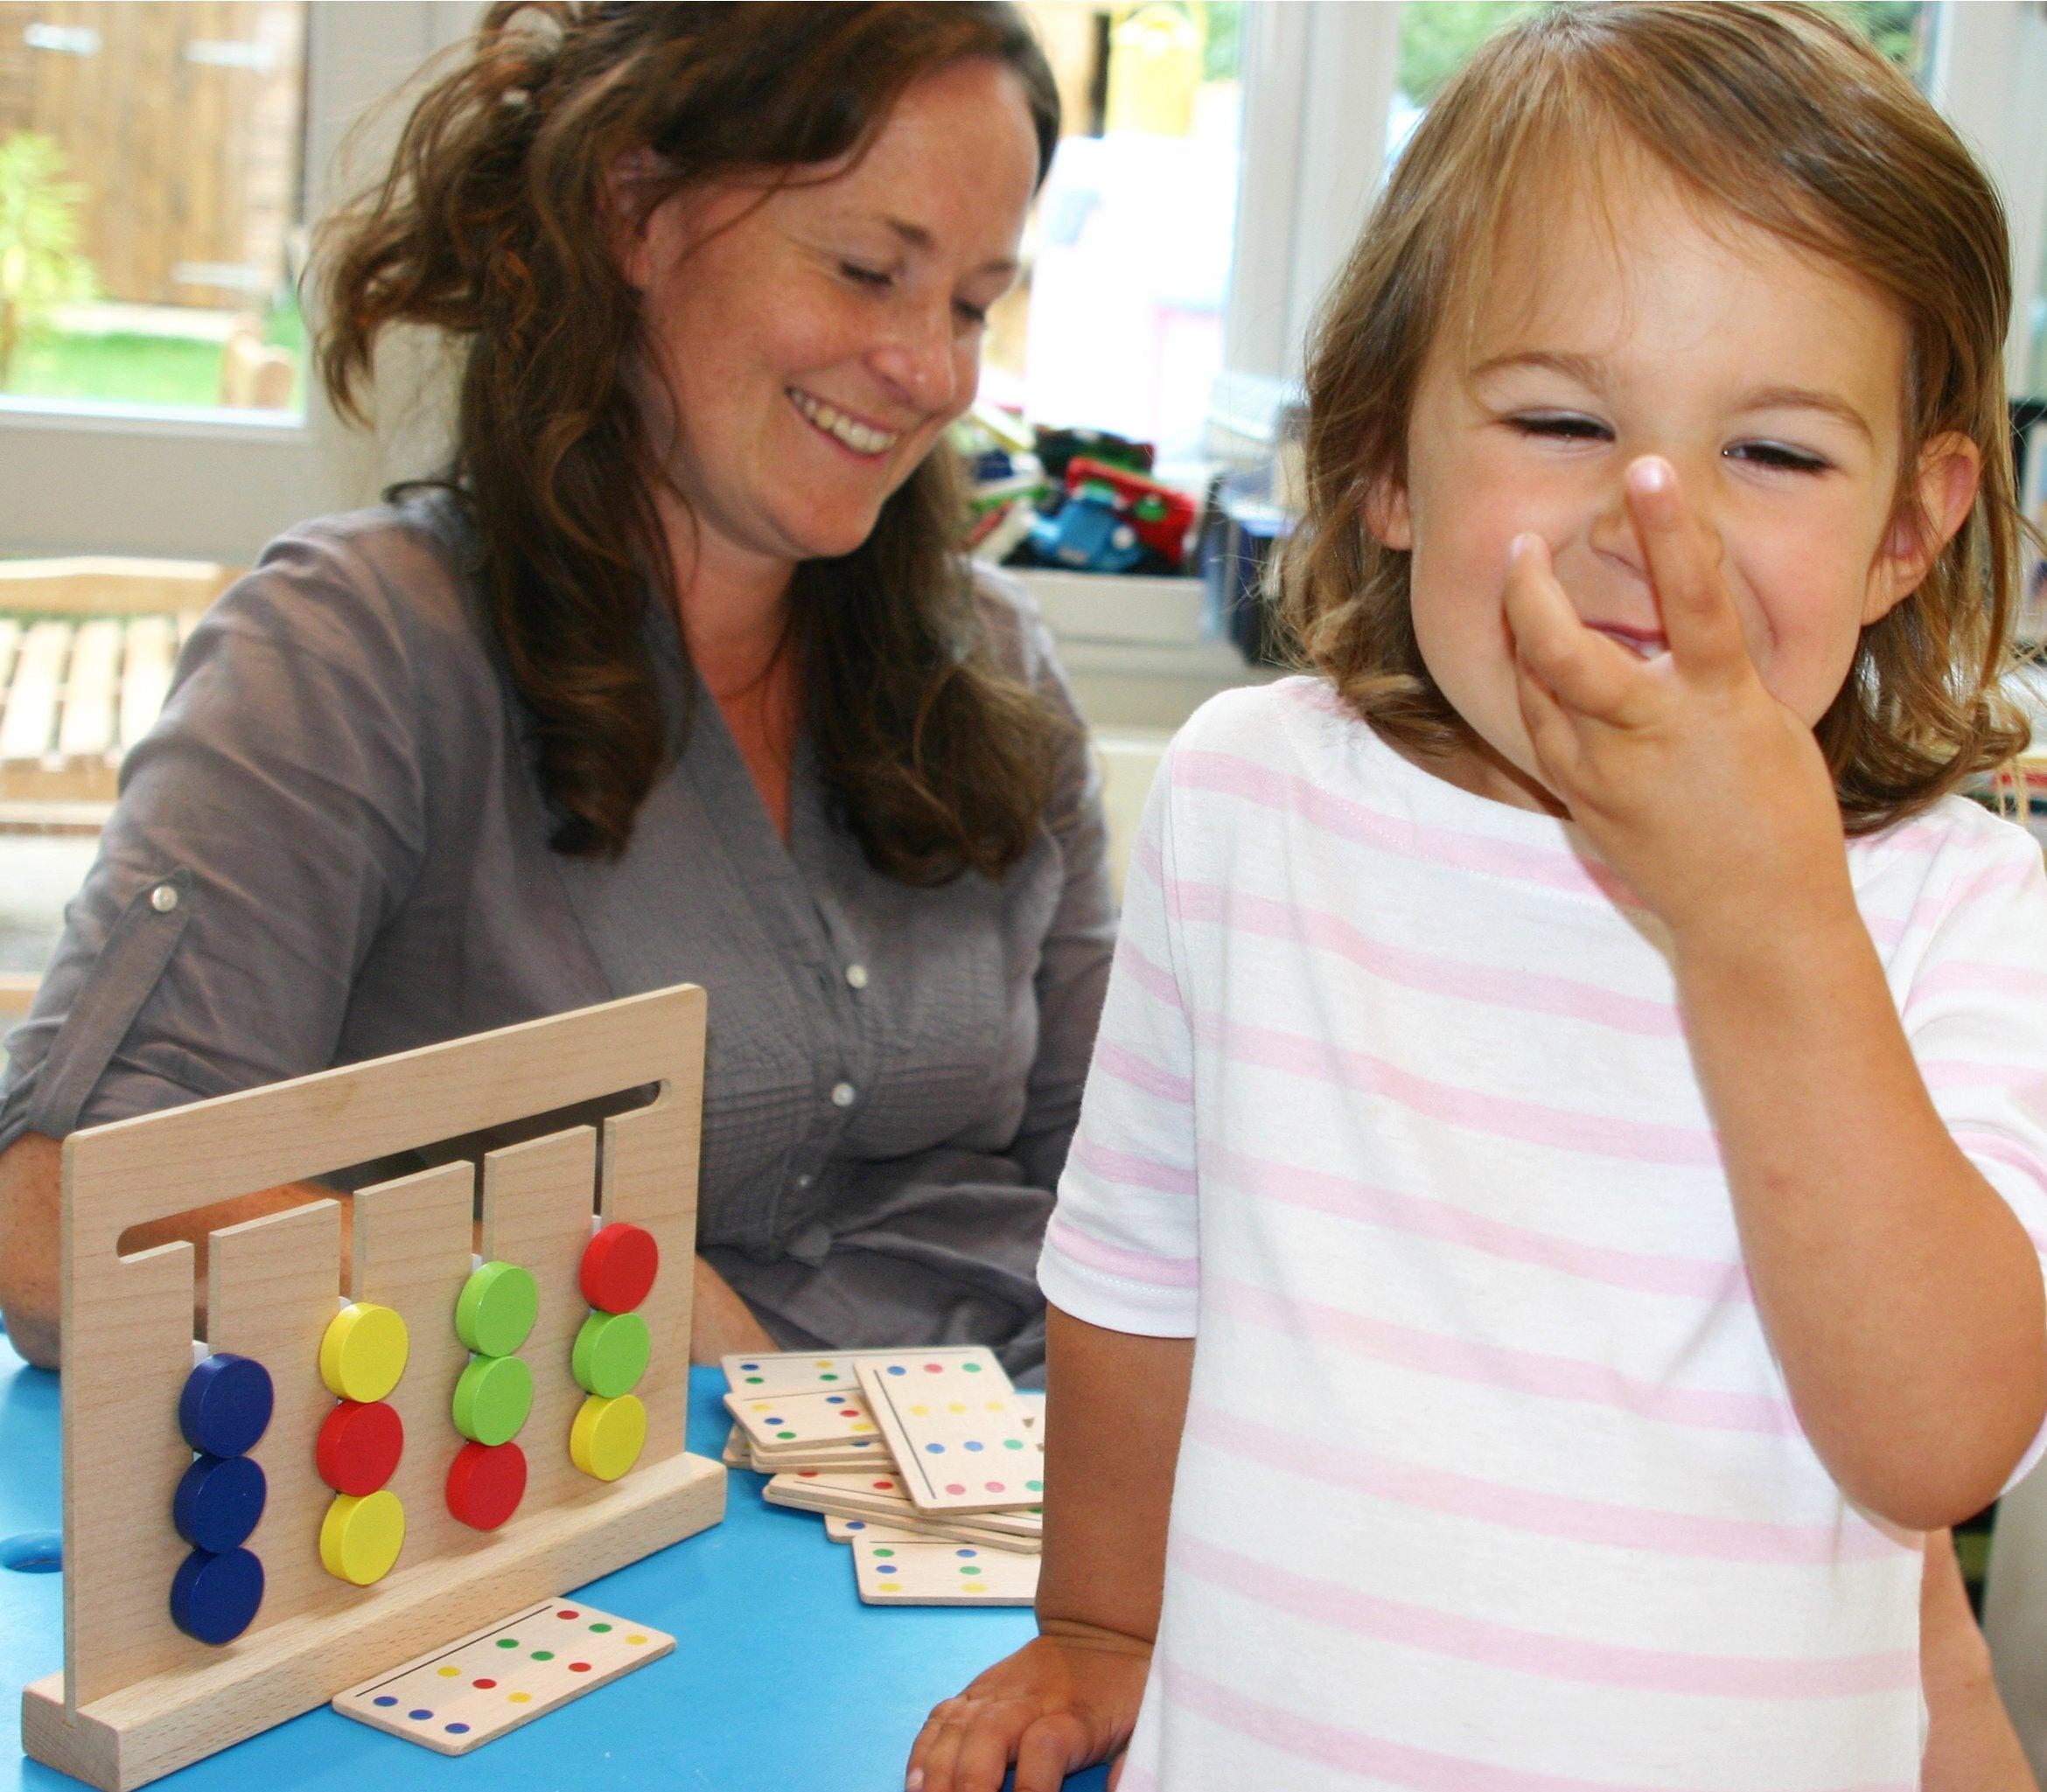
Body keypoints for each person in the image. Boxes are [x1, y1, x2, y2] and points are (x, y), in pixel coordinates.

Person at [910, 5, 2047, 1788]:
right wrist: (1102, 1623)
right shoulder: (1252, 800)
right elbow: (1137, 1270)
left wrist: (1767, 918)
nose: (1647, 515)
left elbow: (1940, 1444)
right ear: (1383, 459)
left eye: (1778, 453)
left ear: (1910, 527)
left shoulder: (1949, 903)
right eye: (1561, 415)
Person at [0, 2, 1113, 1382]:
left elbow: (1132, 1209)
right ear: (635, 214)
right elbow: (65, 1220)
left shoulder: (997, 676)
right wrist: (600, 1307)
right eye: (866, 270)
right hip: (581, 1531)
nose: (935, 371)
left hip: (996, 1509)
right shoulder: (359, 656)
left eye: (970, 305)